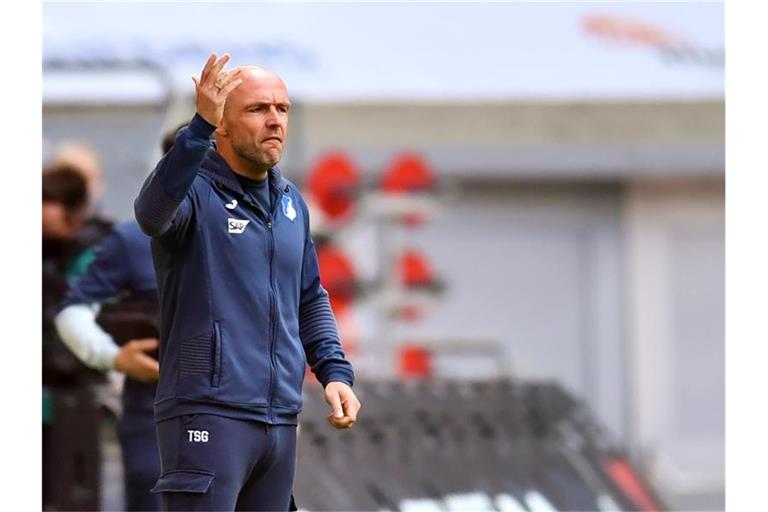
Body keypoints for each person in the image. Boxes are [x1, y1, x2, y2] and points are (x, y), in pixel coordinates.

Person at [134, 53, 361, 511]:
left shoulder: (291, 201)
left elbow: (309, 297)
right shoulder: (193, 191)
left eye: (282, 108)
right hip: (208, 412)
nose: (275, 120)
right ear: (221, 125)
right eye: (258, 109)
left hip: (278, 421)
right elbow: (151, 214)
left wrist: (334, 372)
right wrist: (196, 127)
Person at [53, 124, 189, 511]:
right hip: (154, 420)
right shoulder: (133, 242)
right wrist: (113, 357)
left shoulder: (264, 233)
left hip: (242, 420)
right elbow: (73, 313)